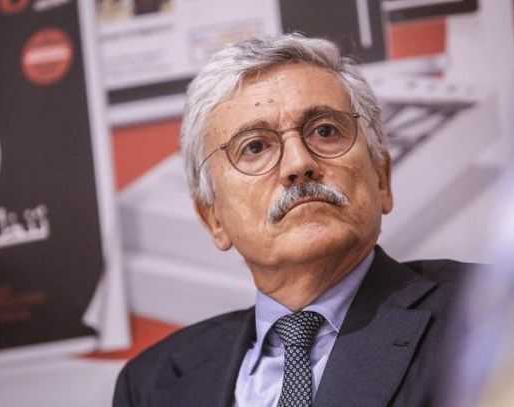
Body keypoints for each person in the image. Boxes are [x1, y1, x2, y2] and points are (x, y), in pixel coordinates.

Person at [113, 34, 467, 407]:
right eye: (255, 146)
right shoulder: (150, 385)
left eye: (325, 131)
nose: (299, 163)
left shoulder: (482, 312)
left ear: (381, 179)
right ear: (213, 217)